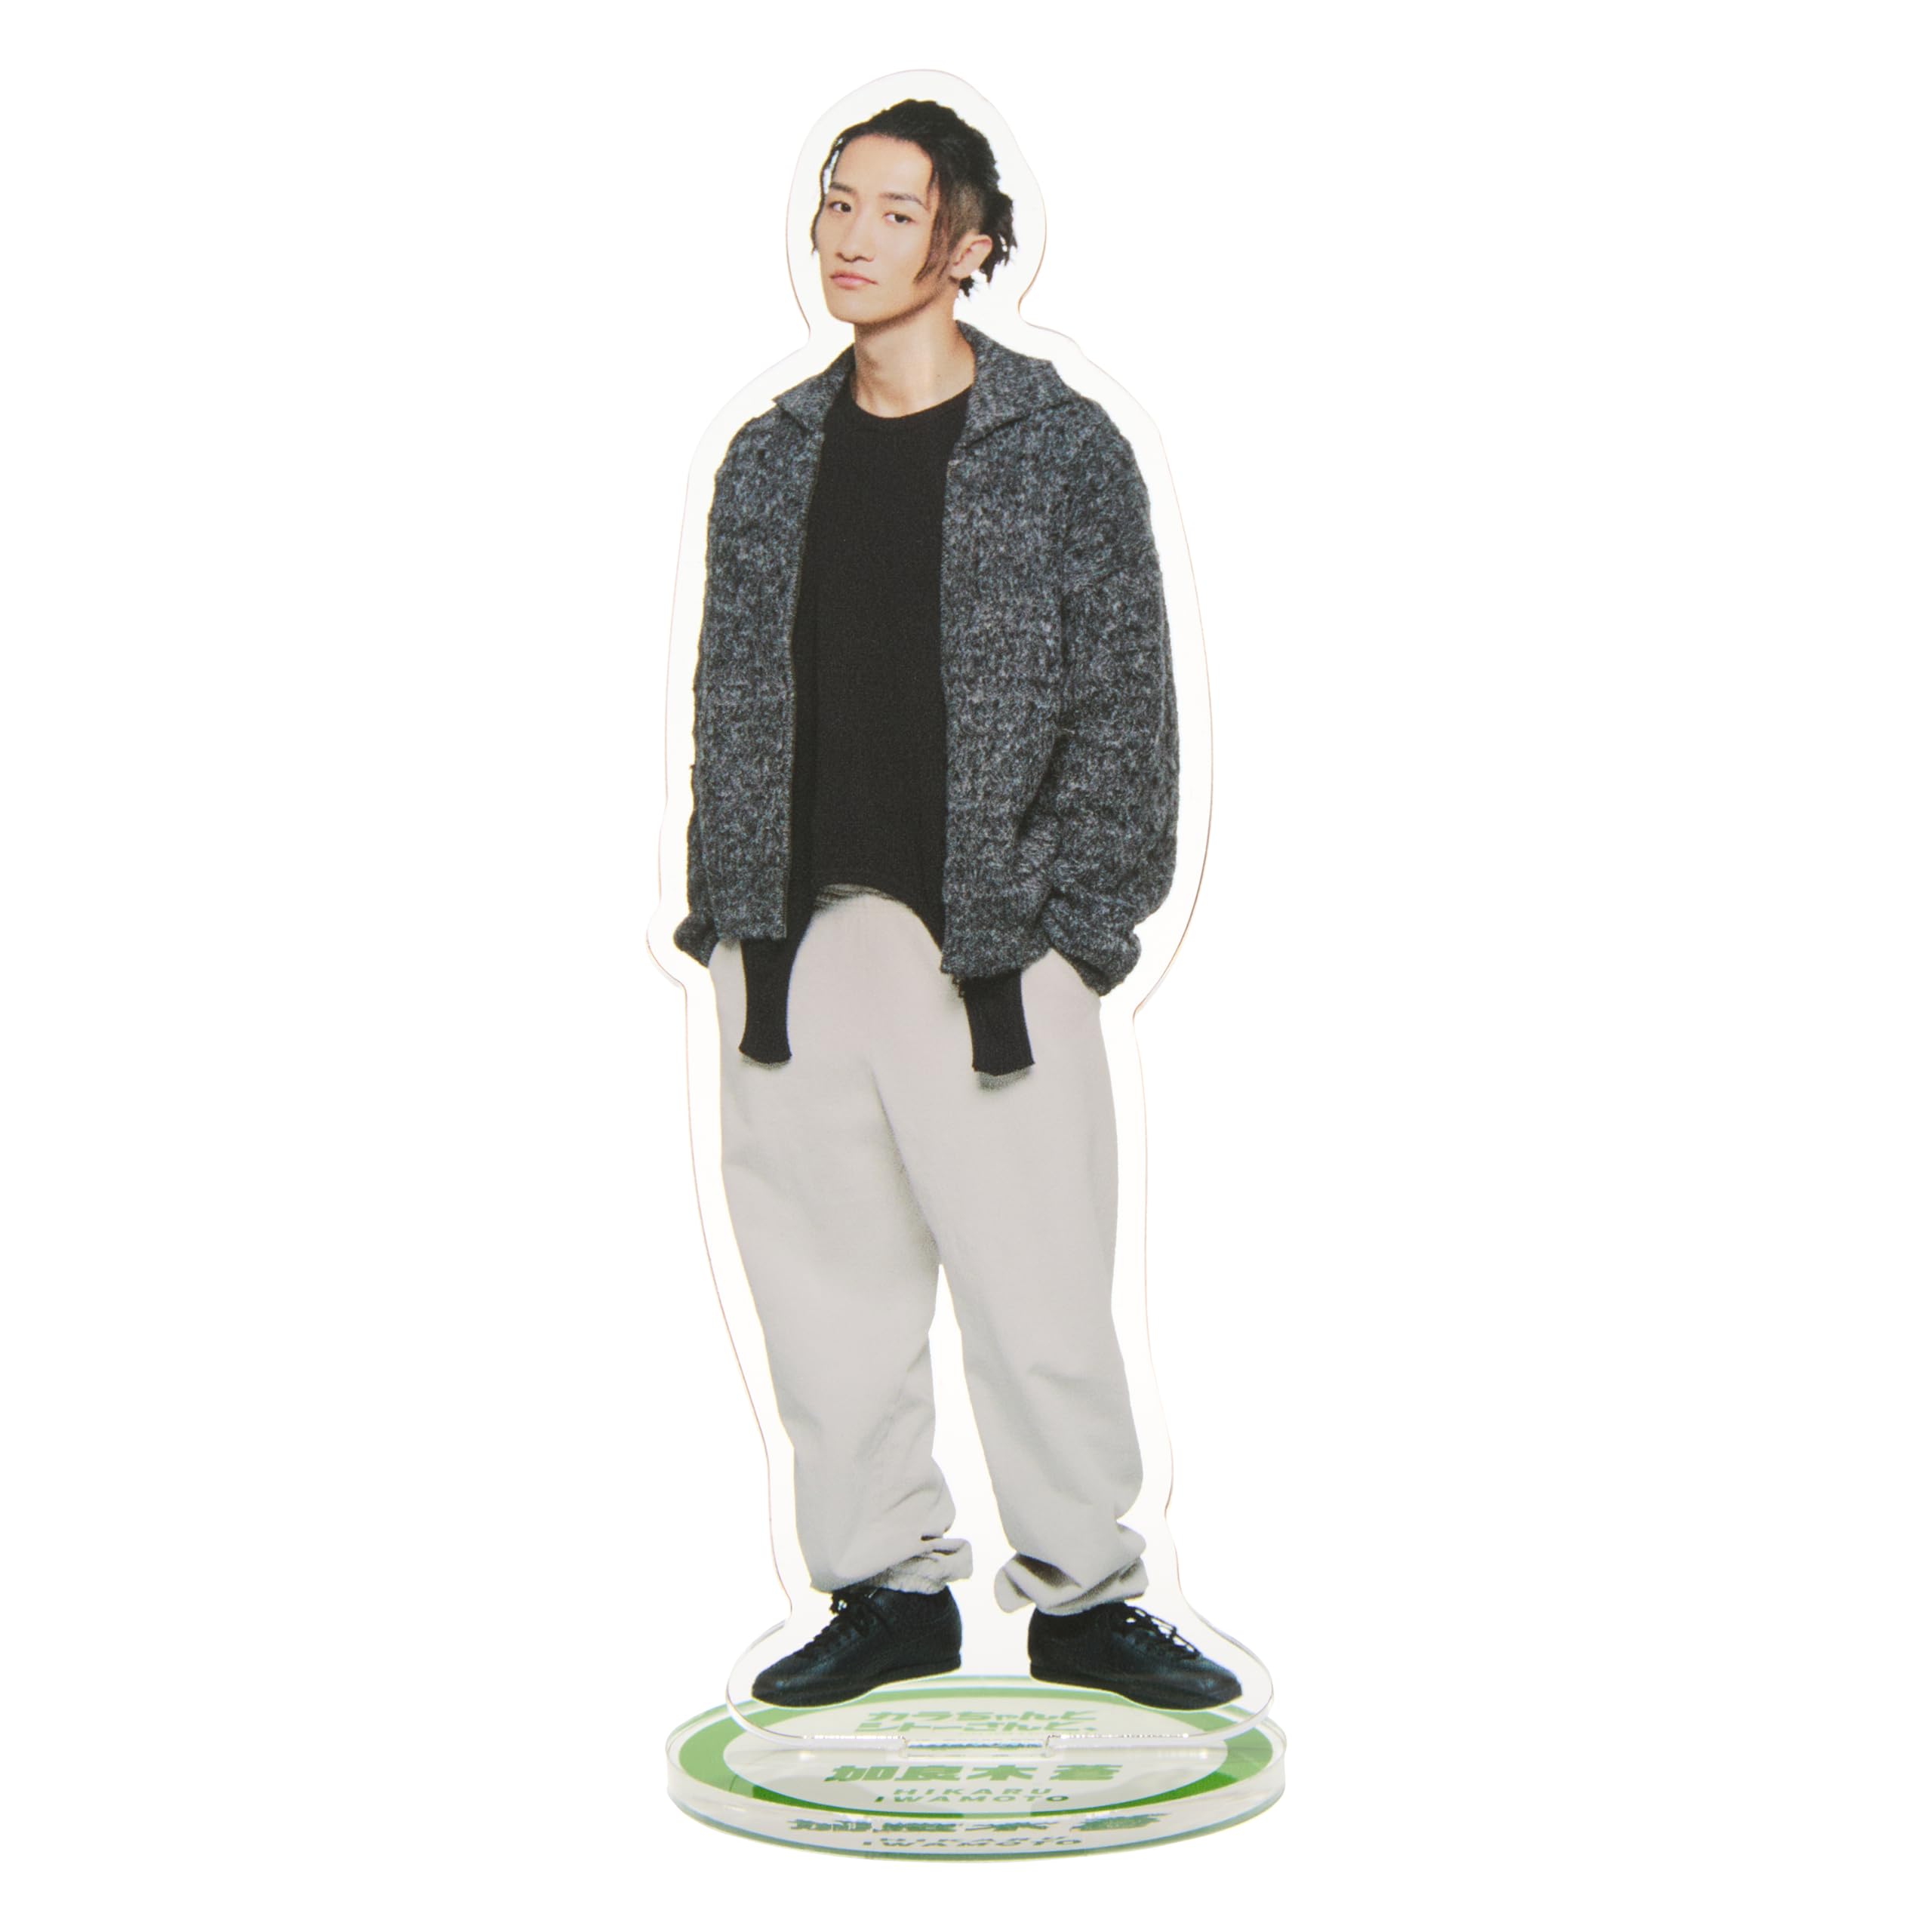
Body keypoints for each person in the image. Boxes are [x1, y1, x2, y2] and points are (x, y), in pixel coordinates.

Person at [673, 97, 1238, 1711]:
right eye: (835, 203)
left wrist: (1073, 929)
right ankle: (884, 1592)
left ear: (971, 243)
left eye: (894, 212)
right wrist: (731, 916)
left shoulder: (1060, 449)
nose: (849, 237)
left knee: (1038, 1298)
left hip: (993, 951)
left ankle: (1086, 1599)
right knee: (824, 1300)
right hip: (794, 941)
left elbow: (1127, 710)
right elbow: (730, 699)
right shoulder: (769, 456)